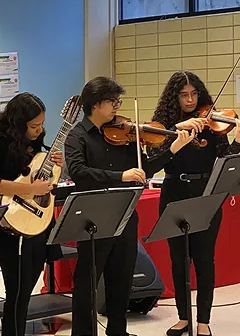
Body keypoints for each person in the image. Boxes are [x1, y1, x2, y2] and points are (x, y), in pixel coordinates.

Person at [65, 76, 194, 336]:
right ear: (96, 104)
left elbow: (143, 169)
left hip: (125, 214)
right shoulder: (77, 136)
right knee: (86, 281)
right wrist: (119, 177)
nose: (117, 107)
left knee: (121, 279)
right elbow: (78, 172)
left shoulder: (127, 133)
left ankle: (117, 331)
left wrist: (174, 148)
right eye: (113, 101)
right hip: (92, 217)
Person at [150, 70, 240, 336]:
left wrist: (239, 141)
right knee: (178, 260)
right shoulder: (163, 124)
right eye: (184, 95)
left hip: (207, 193)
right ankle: (184, 317)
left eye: (194, 94)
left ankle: (204, 320)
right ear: (174, 98)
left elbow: (224, 159)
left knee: (205, 260)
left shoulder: (212, 120)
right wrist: (176, 134)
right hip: (173, 191)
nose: (190, 100)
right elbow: (155, 160)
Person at [0, 92, 63, 336]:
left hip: (36, 222)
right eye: (34, 126)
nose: (39, 130)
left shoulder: (36, 140)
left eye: (42, 124)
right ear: (18, 123)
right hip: (8, 225)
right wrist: (28, 189)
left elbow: (40, 176)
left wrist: (54, 162)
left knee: (27, 288)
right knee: (15, 290)